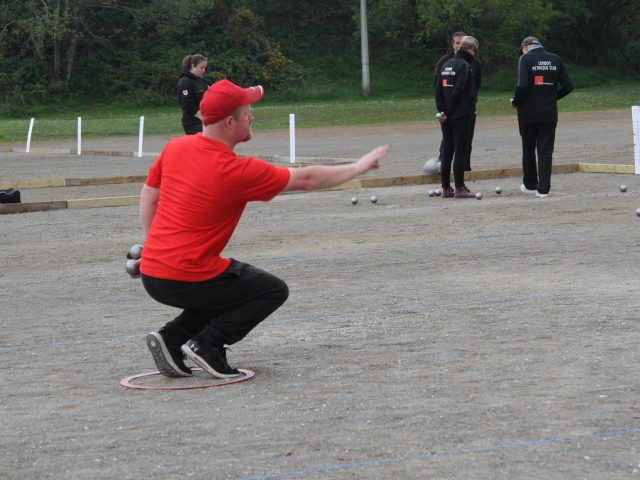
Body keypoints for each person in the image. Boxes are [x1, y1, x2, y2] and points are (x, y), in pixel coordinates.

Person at [135, 79, 389, 379]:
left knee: (227, 287)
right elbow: (306, 179)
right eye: (247, 113)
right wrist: (357, 167)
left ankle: (173, 339)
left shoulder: (175, 147)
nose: (252, 117)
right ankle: (208, 344)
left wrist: (154, 247)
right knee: (270, 290)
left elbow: (149, 198)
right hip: (186, 275)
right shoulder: (237, 171)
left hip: (152, 273)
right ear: (230, 121)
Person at [511, 36, 573, 198]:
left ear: (525, 47)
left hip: (527, 113)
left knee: (528, 148)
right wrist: (553, 97)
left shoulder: (525, 59)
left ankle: (530, 184)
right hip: (548, 112)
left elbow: (522, 85)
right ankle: (543, 189)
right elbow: (568, 86)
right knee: (545, 151)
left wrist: (516, 102)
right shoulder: (555, 59)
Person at [435, 36, 480, 198]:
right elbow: (459, 90)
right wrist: (449, 110)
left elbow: (438, 91)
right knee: (460, 151)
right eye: (474, 52)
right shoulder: (465, 66)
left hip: (445, 117)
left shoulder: (445, 64)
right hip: (461, 115)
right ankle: (460, 187)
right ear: (471, 50)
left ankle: (446, 188)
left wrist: (441, 112)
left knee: (447, 150)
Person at [177, 54, 210, 135]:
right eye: (201, 67)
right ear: (193, 66)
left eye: (205, 68)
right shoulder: (185, 82)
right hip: (193, 123)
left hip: (204, 121)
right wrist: (202, 117)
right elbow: (187, 104)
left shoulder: (203, 82)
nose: (204, 70)